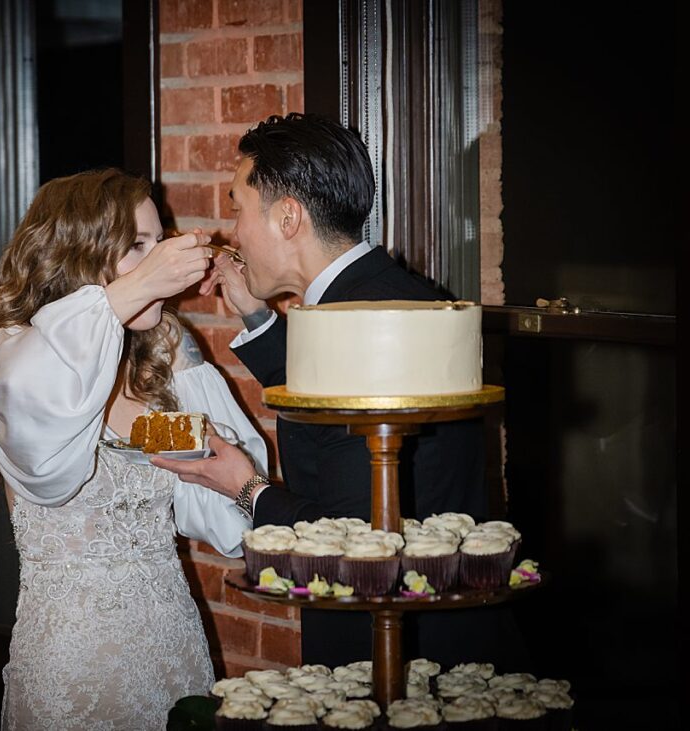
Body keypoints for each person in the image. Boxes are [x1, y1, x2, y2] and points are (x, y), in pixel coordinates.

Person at [153, 113, 527, 671]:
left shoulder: (363, 324)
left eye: (237, 206)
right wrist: (256, 316)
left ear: (287, 217)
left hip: (396, 650)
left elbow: (348, 539)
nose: (232, 230)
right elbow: (340, 408)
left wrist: (243, 485)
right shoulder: (383, 299)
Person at [0, 168, 268, 730]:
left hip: (173, 648)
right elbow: (45, 437)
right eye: (136, 248)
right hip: (75, 670)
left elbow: (224, 520)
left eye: (159, 242)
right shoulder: (16, 357)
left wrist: (235, 475)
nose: (158, 265)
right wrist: (145, 284)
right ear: (79, 256)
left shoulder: (162, 354)